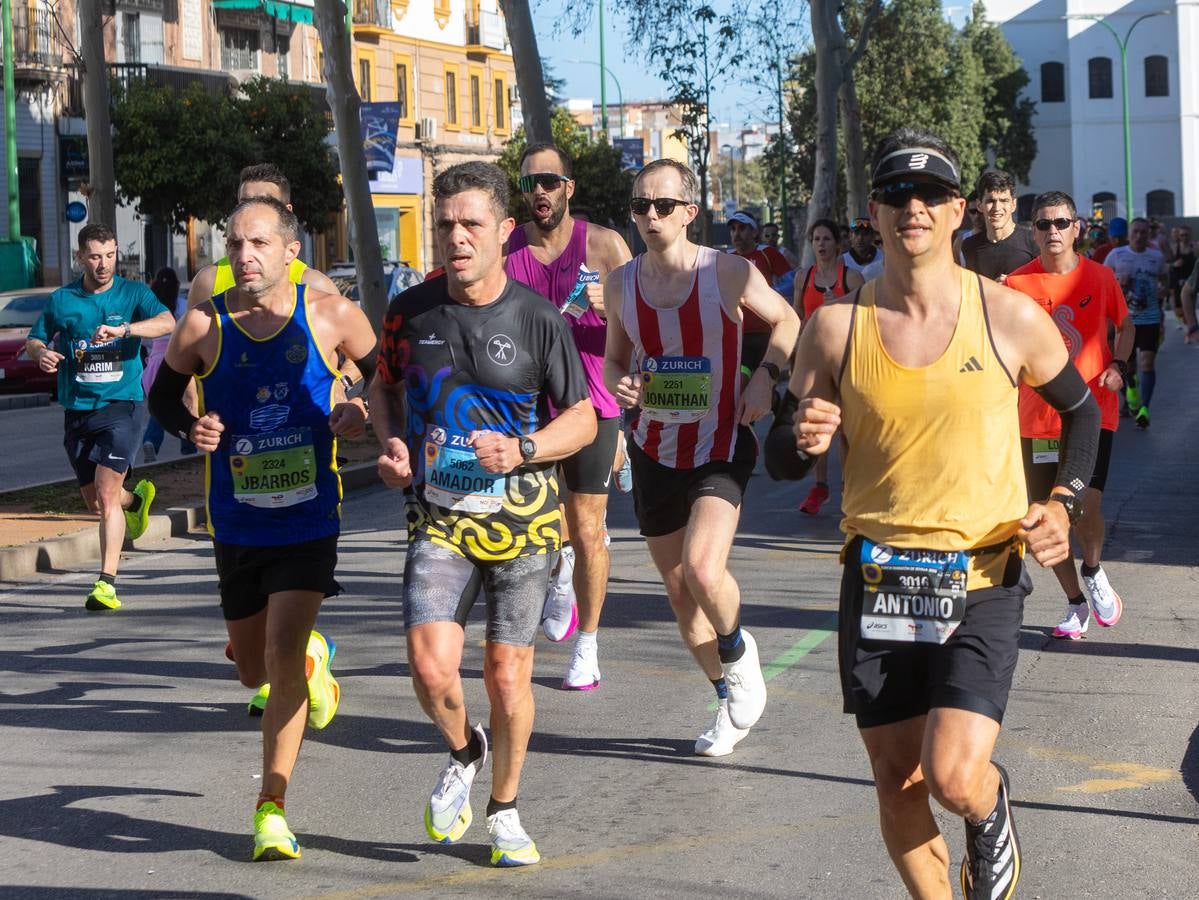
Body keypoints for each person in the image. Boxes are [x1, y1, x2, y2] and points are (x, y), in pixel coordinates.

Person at [766, 127, 1099, 900]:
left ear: (957, 212)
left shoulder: (1007, 316)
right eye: (893, 196)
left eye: (929, 196)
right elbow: (781, 460)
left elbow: (1081, 417)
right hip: (880, 575)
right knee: (895, 777)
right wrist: (799, 433)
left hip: (982, 572)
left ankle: (989, 803)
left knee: (952, 774)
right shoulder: (835, 327)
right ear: (872, 216)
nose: (910, 208)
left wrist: (1060, 502)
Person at [369, 161, 595, 867]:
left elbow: (583, 419)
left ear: (503, 231)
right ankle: (466, 749)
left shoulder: (537, 318)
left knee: (506, 676)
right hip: (438, 516)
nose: (456, 237)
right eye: (444, 225)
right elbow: (382, 388)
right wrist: (390, 443)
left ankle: (503, 810)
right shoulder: (409, 311)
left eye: (471, 224)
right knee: (430, 667)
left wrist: (524, 447)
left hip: (523, 521)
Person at [149, 196, 376, 862]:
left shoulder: (331, 315)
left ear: (290, 252)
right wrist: (191, 427)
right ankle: (310, 660)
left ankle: (270, 807)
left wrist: (358, 407)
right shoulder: (202, 326)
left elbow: (385, 373)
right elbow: (163, 397)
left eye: (256, 244)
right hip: (238, 519)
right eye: (233, 244)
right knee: (253, 671)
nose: (242, 256)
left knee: (278, 658)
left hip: (309, 516)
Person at [603, 159, 799, 758]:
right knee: (681, 596)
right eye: (640, 206)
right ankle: (726, 697)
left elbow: (789, 320)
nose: (649, 216)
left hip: (720, 442)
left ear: (690, 212)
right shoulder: (620, 285)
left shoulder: (729, 272)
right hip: (656, 448)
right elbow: (614, 361)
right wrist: (622, 386)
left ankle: (739, 651)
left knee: (702, 571)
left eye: (662, 205)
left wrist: (765, 376)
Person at [505, 142, 632, 689]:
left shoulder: (604, 245)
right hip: (526, 408)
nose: (540, 192)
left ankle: (588, 644)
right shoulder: (505, 246)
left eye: (550, 182)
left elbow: (647, 318)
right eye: (531, 182)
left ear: (568, 189)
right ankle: (559, 574)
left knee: (587, 529)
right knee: (534, 527)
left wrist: (617, 308)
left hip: (593, 404)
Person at [25, 224, 175, 610]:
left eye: (109, 255)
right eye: (95, 256)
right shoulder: (63, 299)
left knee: (105, 493)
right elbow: (35, 338)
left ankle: (106, 583)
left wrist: (126, 329)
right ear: (80, 257)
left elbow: (167, 323)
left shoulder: (133, 293)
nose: (104, 263)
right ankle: (134, 502)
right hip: (77, 410)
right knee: (96, 501)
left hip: (122, 406)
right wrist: (41, 352)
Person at [1007, 191, 1133, 640]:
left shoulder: (1099, 277)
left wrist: (1118, 366)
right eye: (1043, 225)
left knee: (1086, 506)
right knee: (1046, 515)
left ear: (1077, 226)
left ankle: (1094, 569)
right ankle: (1075, 603)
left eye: (1061, 223)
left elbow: (1126, 325)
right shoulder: (1016, 285)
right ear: (1033, 231)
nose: (1053, 232)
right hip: (1036, 420)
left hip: (1094, 413)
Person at [792, 218, 863, 516]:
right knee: (816, 426)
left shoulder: (852, 278)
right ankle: (820, 487)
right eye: (816, 239)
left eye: (826, 239)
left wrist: (840, 305)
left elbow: (866, 319)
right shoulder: (803, 277)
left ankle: (849, 488)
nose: (821, 245)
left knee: (845, 430)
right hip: (814, 360)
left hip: (846, 359)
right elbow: (796, 316)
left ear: (838, 244)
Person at [1104, 217, 1168, 428]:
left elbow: (1165, 283)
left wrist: (1163, 292)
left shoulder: (1156, 257)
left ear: (1149, 234)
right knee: (1126, 367)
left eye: (1143, 232)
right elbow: (1104, 285)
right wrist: (1117, 285)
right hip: (1125, 321)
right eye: (1136, 232)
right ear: (1130, 234)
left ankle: (1145, 409)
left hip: (1150, 318)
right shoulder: (1116, 255)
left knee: (1147, 363)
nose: (1139, 236)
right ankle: (1131, 388)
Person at [140, 267, 197, 463]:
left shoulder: (151, 306)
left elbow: (145, 339)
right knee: (186, 405)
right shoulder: (182, 305)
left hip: (155, 359)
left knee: (161, 402)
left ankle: (151, 441)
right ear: (177, 286)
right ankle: (189, 445)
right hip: (178, 357)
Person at [727, 209, 793, 370]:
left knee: (764, 383)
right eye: (733, 229)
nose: (736, 234)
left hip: (767, 332)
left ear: (754, 232)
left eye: (742, 228)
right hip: (739, 335)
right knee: (743, 381)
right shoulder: (728, 258)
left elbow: (791, 283)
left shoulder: (767, 253)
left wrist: (766, 294)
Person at [960, 170, 1038, 281]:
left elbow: (1047, 283)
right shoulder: (969, 246)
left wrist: (1016, 283)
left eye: (1004, 200)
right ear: (979, 205)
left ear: (1013, 204)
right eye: (990, 201)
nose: (997, 208)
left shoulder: (1033, 241)